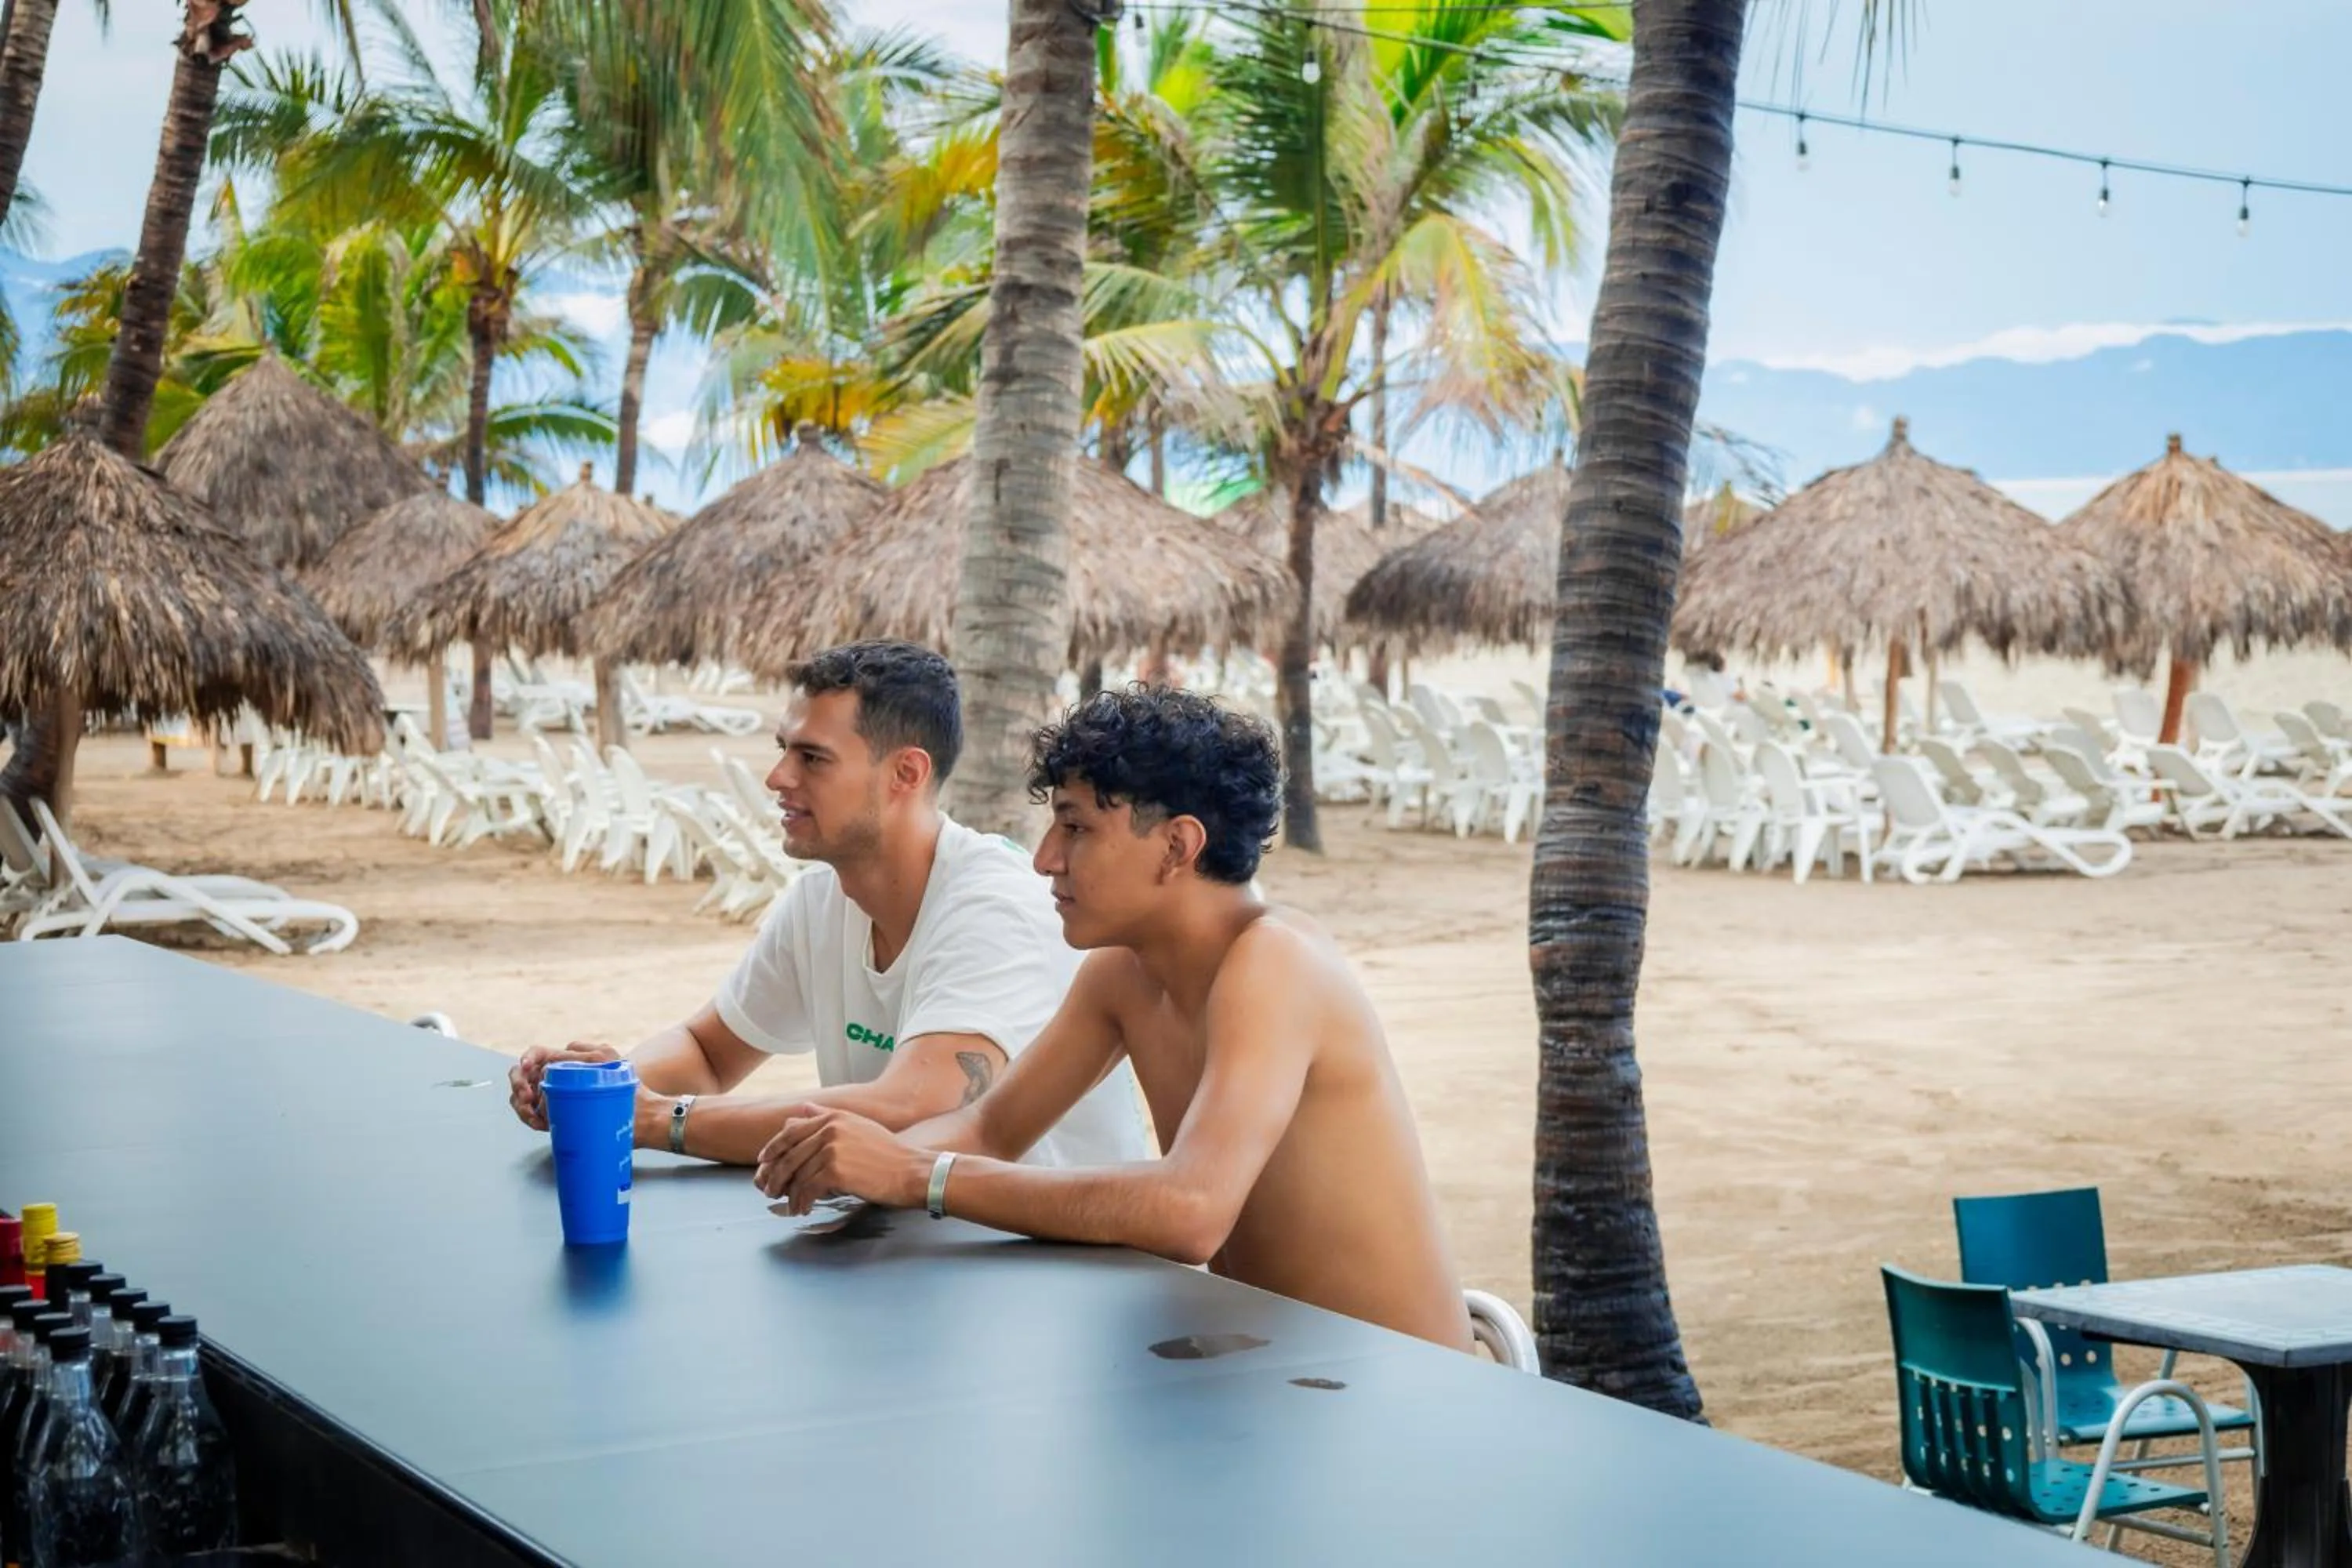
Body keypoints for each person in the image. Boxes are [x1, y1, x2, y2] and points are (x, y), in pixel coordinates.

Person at [754, 687, 1472, 1352]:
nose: (1044, 859)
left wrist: (917, 1174)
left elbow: (1191, 1210)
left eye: (1076, 828)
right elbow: (989, 1129)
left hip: (1399, 1392)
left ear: (1177, 847)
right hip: (1267, 1364)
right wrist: (854, 1160)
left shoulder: (1275, 962)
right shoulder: (1122, 974)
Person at [506, 641, 1149, 1170]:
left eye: (812, 758)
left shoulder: (995, 905)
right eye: (783, 749)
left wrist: (658, 1119)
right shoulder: (822, 898)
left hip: (1051, 1278)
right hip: (923, 1250)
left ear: (906, 774)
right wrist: (606, 1087)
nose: (778, 777)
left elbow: (916, 1107)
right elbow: (708, 1052)